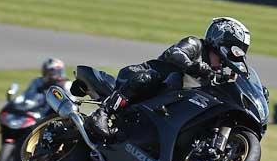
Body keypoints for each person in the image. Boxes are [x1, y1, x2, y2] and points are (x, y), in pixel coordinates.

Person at [84, 17, 251, 140]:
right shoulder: (195, 44)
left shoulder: (217, 73)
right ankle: (103, 112)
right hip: (141, 77)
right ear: (221, 38)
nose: (234, 55)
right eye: (235, 48)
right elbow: (175, 54)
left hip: (165, 106)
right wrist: (198, 67)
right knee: (148, 78)